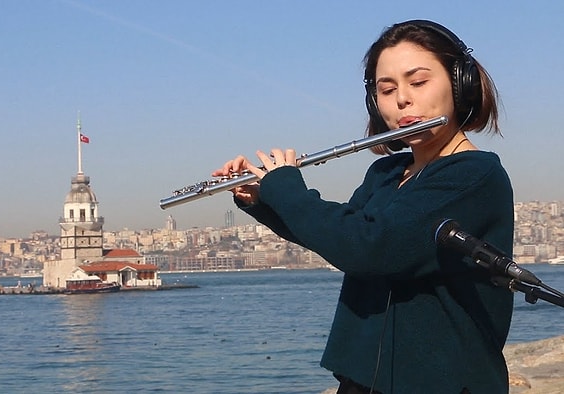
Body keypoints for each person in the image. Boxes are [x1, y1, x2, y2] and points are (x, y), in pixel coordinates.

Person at [212, 20, 513, 394]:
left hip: (443, 384)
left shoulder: (474, 174)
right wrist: (262, 197)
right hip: (364, 381)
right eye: (387, 89)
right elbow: (339, 235)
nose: (402, 99)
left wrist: (287, 187)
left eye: (418, 82)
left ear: (460, 83)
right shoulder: (386, 173)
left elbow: (371, 247)